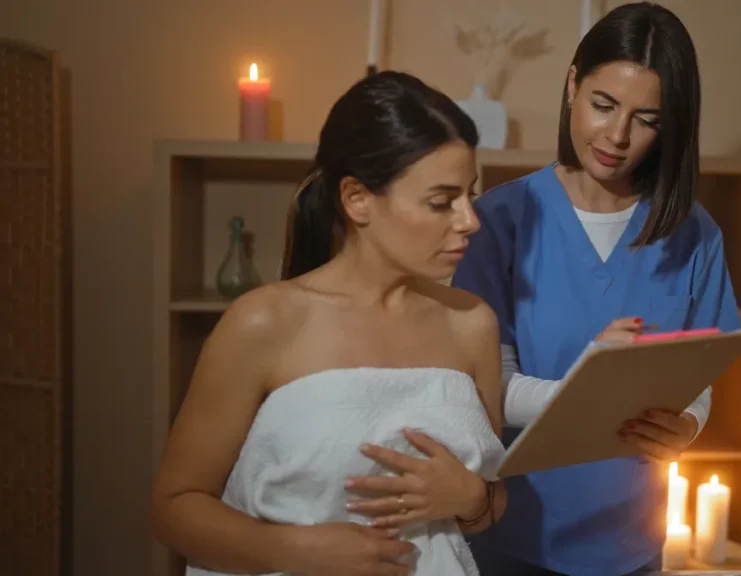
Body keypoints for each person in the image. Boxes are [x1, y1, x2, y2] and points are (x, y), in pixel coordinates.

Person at [149, 71, 508, 576]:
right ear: (357, 198)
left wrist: (471, 498)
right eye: (441, 201)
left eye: (470, 194)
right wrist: (293, 549)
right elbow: (174, 508)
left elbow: (489, 504)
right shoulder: (264, 323)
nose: (470, 220)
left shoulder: (472, 325)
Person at [450, 3, 741, 575]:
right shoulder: (500, 222)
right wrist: (589, 382)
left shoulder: (695, 235)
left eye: (647, 119)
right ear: (571, 86)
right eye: (603, 105)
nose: (617, 135)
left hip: (632, 543)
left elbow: (698, 371)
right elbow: (488, 390)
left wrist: (687, 426)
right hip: (511, 536)